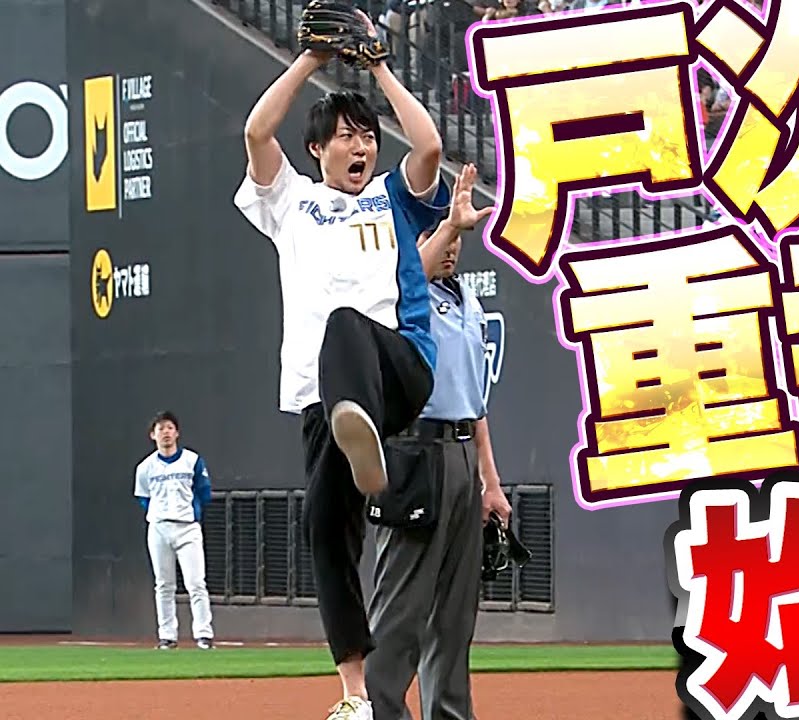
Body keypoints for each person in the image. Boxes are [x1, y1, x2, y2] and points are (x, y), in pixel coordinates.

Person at [233, 10, 451, 720]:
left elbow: (429, 144)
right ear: (317, 150)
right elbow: (256, 134)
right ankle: (355, 695)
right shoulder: (293, 202)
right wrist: (311, 59)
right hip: (319, 400)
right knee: (324, 531)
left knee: (345, 325)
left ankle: (364, 429)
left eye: (367, 137)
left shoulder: (391, 197)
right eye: (347, 138)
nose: (361, 147)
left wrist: (380, 66)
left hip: (396, 370)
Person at [365, 163, 513, 720]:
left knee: (454, 615)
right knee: (401, 611)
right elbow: (412, 274)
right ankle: (380, 710)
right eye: (434, 233)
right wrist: (450, 223)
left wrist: (490, 483)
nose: (448, 245)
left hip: (460, 455)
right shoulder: (398, 294)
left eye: (451, 236)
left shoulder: (467, 301)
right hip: (414, 452)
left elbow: (476, 403)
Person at [132, 411, 214, 651]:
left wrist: (193, 513)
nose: (165, 433)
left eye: (169, 428)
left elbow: (204, 491)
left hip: (187, 528)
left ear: (177, 433)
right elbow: (143, 497)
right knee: (164, 585)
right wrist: (159, 514)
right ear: (153, 435)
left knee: (196, 583)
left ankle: (204, 635)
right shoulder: (145, 467)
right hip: (159, 528)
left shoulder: (192, 460)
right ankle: (167, 636)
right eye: (160, 429)